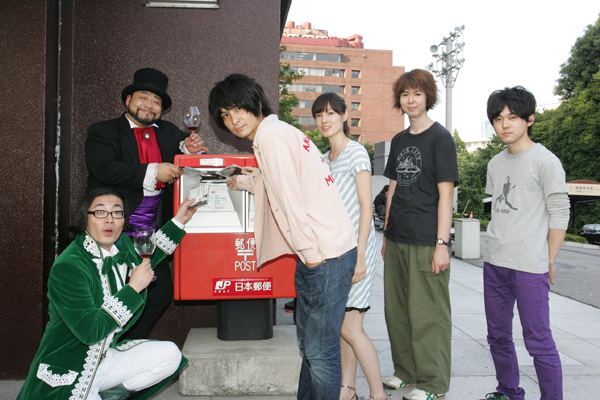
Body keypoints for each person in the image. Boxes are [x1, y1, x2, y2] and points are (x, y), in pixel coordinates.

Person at [208, 74, 357, 400]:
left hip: (323, 255)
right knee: (311, 347)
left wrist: (312, 259)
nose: (234, 120)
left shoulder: (271, 138)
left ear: (256, 103)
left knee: (320, 352)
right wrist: (244, 181)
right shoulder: (275, 133)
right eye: (225, 115)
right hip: (323, 252)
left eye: (238, 108)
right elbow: (280, 183)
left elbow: (291, 202)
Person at [17, 188, 199, 400]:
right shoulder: (69, 266)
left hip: (105, 359)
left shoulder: (120, 246)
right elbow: (90, 332)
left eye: (117, 212)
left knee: (170, 355)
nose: (110, 219)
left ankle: (109, 396)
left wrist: (179, 221)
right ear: (85, 218)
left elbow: (149, 254)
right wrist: (132, 289)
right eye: (100, 212)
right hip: (70, 368)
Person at [85, 67, 208, 339]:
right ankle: (104, 346)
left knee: (159, 293)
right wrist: (153, 172)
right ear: (128, 100)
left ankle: (123, 344)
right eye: (143, 98)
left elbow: (184, 151)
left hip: (150, 236)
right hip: (114, 231)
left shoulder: (168, 132)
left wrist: (189, 149)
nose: (150, 105)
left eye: (156, 102)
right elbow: (103, 168)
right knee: (111, 292)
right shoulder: (103, 131)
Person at [480, 87, 569, 400]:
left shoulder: (545, 161)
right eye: (498, 118)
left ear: (529, 119)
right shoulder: (494, 164)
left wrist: (550, 259)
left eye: (513, 117)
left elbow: (560, 212)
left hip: (529, 265)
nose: (505, 124)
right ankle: (508, 391)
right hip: (495, 262)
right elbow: (497, 209)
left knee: (538, 340)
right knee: (497, 336)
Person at [381, 69, 459, 400]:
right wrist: (386, 234)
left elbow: (446, 195)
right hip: (398, 236)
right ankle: (405, 371)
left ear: (428, 97)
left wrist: (442, 244)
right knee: (397, 310)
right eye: (405, 94)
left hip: (427, 239)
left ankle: (432, 384)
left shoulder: (441, 138)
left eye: (417, 93)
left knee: (428, 314)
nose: (410, 100)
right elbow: (393, 189)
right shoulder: (399, 140)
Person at [312, 93, 387, 400]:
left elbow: (366, 207)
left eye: (331, 113)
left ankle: (378, 394)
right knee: (343, 322)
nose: (325, 119)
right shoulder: (322, 159)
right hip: (335, 252)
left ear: (344, 116)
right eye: (319, 114)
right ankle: (348, 388)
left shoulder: (356, 153)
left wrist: (361, 256)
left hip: (356, 251)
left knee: (350, 327)